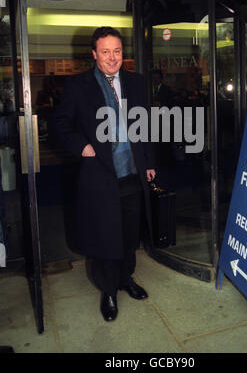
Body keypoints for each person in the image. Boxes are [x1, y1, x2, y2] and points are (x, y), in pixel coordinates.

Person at [53, 26, 156, 322]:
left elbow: (144, 125)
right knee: (104, 235)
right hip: (99, 175)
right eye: (106, 52)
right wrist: (81, 145)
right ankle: (108, 290)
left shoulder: (136, 82)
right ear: (94, 54)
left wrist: (149, 162)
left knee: (129, 234)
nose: (113, 58)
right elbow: (60, 125)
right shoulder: (78, 86)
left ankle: (126, 278)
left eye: (118, 51)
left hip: (132, 173)